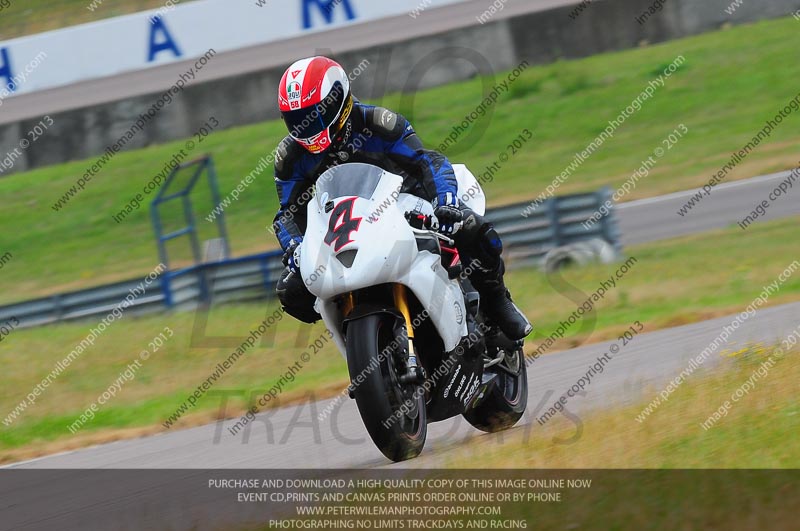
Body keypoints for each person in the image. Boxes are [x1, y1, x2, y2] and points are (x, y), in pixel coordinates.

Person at [271, 56, 531, 341]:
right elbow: (287, 213)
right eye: (298, 120)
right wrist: (294, 246)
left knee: (472, 228)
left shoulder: (378, 123)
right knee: (291, 291)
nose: (308, 127)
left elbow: (426, 161)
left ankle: (497, 301)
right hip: (346, 227)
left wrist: (444, 201)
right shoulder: (290, 157)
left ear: (340, 101)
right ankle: (357, 331)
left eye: (317, 113)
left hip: (407, 204)